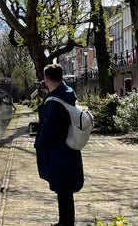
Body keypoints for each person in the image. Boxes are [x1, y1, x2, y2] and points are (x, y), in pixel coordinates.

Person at [35, 63, 84, 226]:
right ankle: (65, 221)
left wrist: (39, 143)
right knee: (65, 189)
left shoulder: (54, 101)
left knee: (63, 188)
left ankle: (65, 223)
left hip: (59, 150)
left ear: (46, 79)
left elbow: (49, 126)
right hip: (69, 147)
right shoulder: (67, 93)